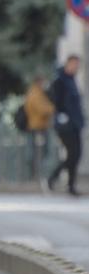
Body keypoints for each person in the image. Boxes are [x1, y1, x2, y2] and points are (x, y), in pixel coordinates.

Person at [47, 55, 85, 196]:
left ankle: (69, 185)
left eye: (77, 65)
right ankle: (57, 179)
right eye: (74, 64)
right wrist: (62, 114)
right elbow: (55, 100)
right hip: (65, 124)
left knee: (75, 155)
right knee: (73, 154)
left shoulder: (72, 80)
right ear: (68, 64)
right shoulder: (60, 81)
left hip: (75, 124)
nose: (76, 67)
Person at [23, 76, 55, 180]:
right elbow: (42, 109)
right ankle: (34, 174)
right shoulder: (35, 94)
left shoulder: (38, 93)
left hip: (39, 125)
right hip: (37, 126)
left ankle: (36, 174)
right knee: (37, 151)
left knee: (39, 151)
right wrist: (53, 108)